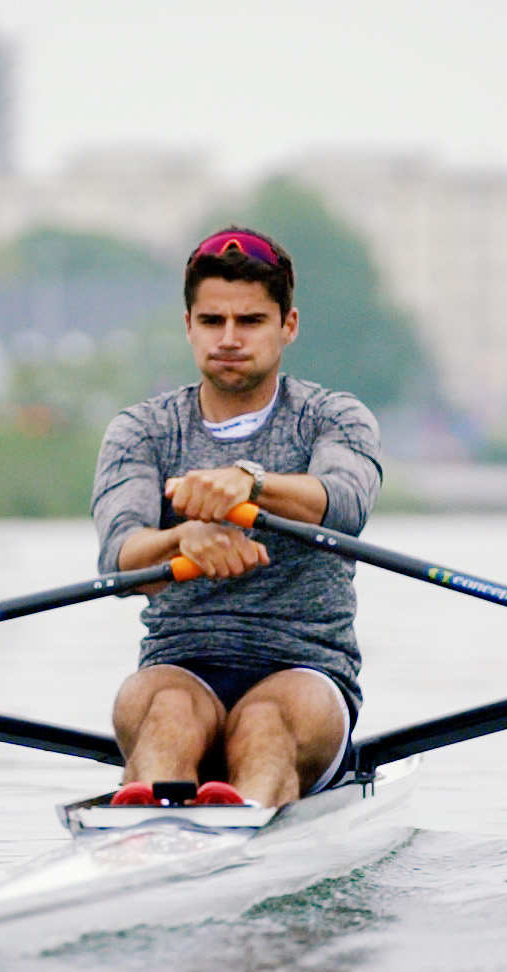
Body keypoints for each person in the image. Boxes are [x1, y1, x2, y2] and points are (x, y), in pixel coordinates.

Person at [91, 227, 383, 809]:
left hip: (304, 671)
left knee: (266, 722)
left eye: (250, 321)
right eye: (212, 321)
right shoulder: (142, 431)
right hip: (179, 666)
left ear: (288, 326)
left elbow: (346, 505)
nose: (229, 338)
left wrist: (252, 484)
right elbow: (118, 561)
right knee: (168, 711)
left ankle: (227, 832)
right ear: (188, 326)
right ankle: (145, 837)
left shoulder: (333, 418)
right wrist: (183, 540)